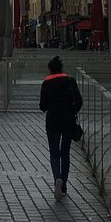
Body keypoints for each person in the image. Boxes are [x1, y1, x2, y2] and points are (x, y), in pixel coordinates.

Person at [39, 55, 83, 200]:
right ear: (61, 68)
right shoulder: (70, 81)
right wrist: (72, 111)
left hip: (53, 122)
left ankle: (57, 177)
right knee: (65, 153)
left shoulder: (47, 83)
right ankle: (63, 185)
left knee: (54, 153)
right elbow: (78, 101)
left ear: (50, 70)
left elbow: (42, 106)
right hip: (68, 121)